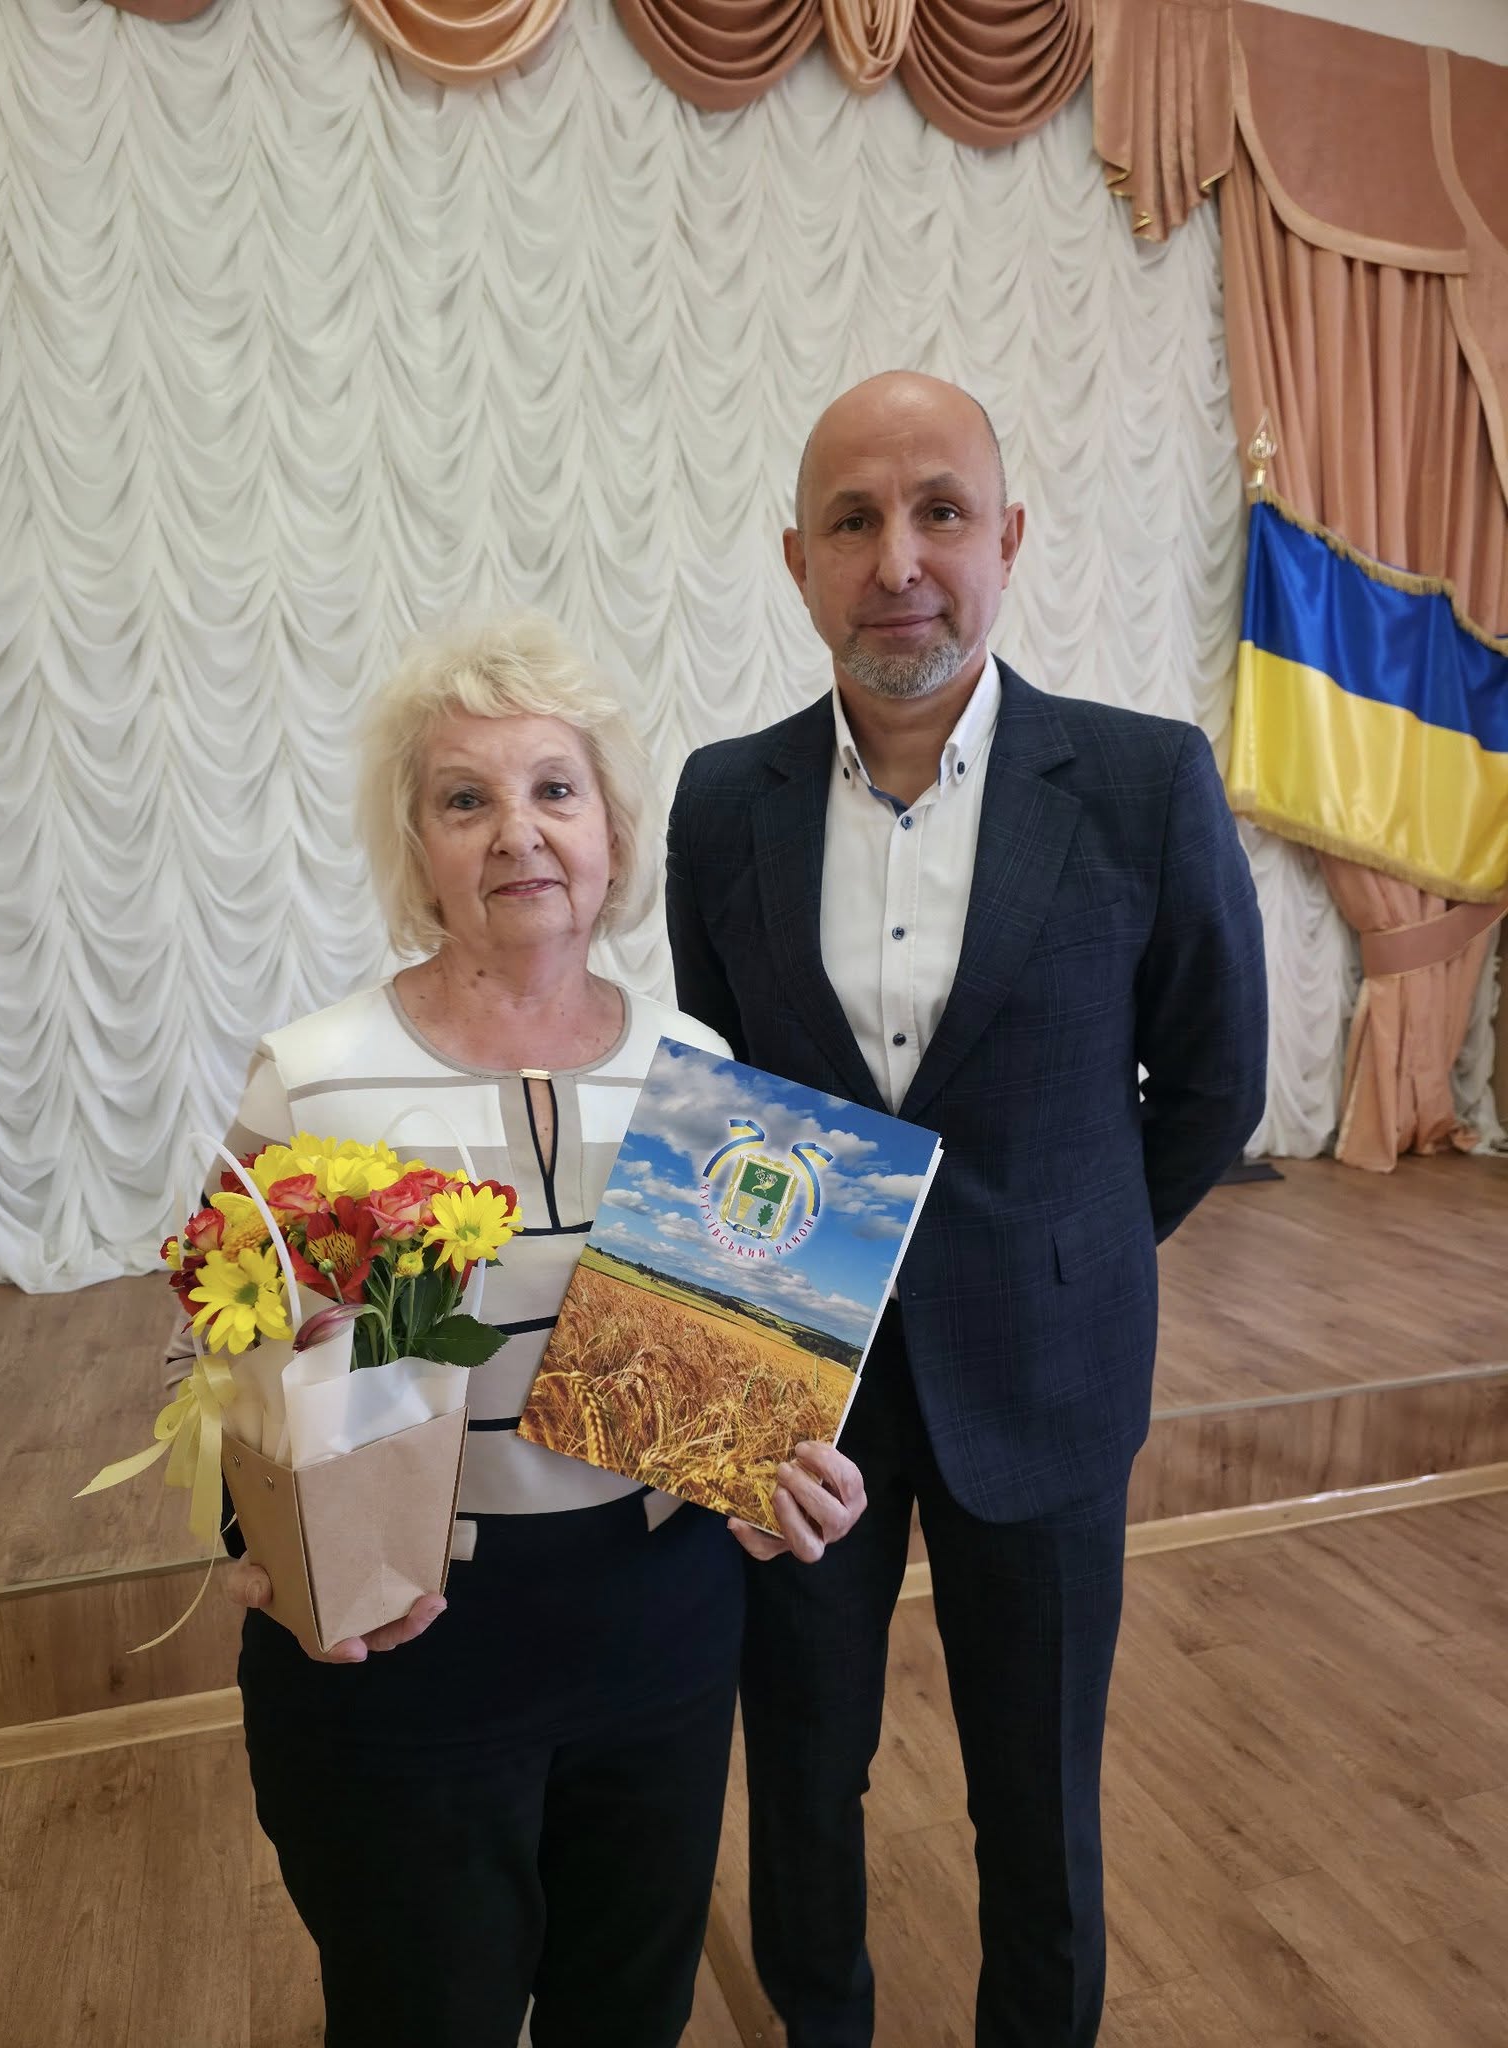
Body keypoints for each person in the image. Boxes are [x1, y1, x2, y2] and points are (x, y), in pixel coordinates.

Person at [666, 372, 1268, 2047]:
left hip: (1051, 1373)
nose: (899, 561)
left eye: (940, 513)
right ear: (797, 559)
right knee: (800, 1777)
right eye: (853, 521)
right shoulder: (720, 800)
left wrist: (1068, 1248)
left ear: (1006, 538)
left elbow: (1211, 1085)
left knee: (1038, 1796)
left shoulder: (1144, 784)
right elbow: (727, 1087)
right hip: (798, 1385)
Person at [204, 615, 866, 2048]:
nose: (519, 831)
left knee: (627, 2009)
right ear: (419, 848)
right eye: (467, 799)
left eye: (555, 789)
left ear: (611, 833)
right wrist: (265, 1548)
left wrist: (773, 1479)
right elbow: (226, 1352)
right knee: (420, 2012)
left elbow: (725, 1396)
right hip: (409, 1635)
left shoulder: (702, 1075)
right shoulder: (312, 1078)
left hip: (659, 1627)